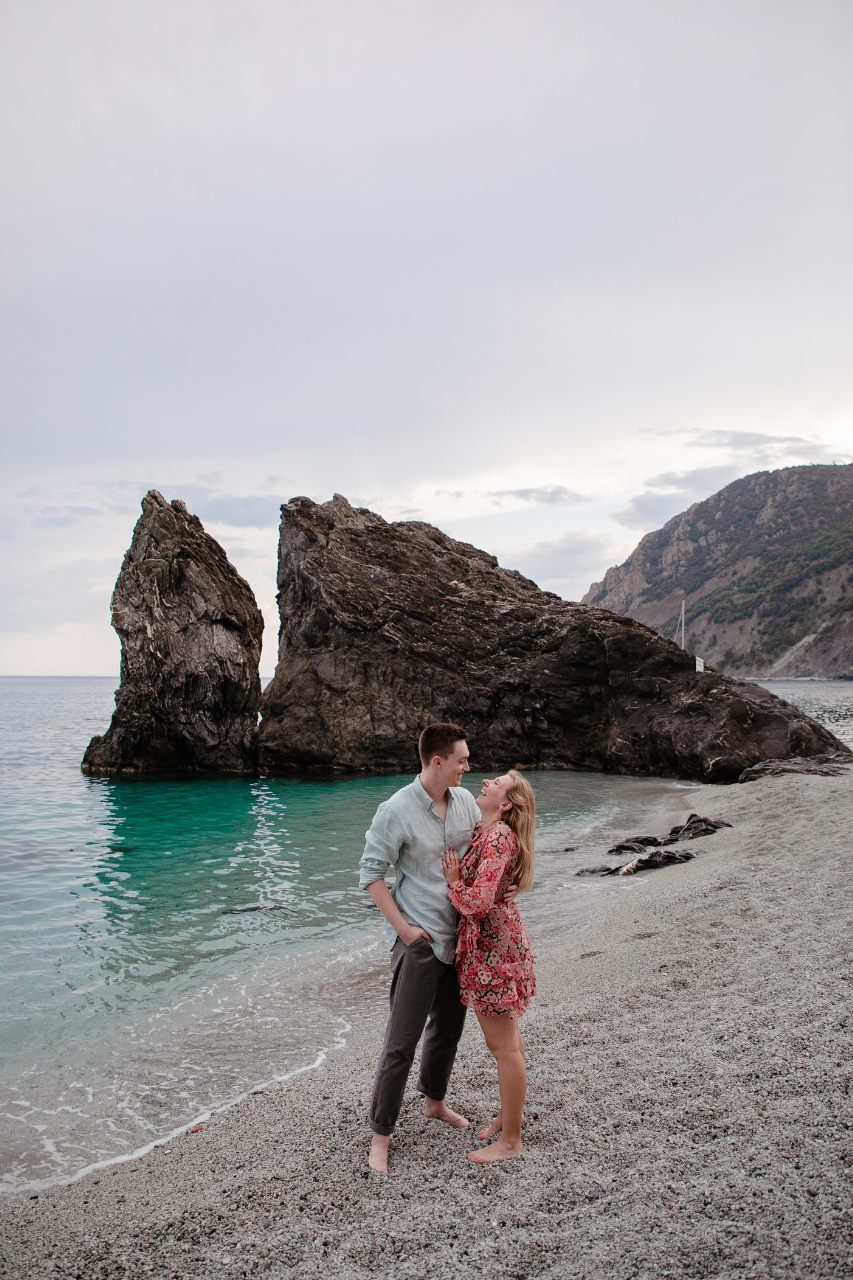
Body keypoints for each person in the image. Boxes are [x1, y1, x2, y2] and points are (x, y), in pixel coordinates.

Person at [359, 723, 519, 1174]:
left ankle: (434, 1102)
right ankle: (381, 1134)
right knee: (401, 1042)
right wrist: (406, 932)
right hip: (421, 941)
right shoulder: (395, 811)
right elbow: (370, 875)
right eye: (462, 760)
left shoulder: (467, 802)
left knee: (446, 1031)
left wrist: (508, 888)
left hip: (463, 940)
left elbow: (489, 854)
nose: (469, 767)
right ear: (437, 762)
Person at [441, 770, 536, 1164]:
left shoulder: (497, 836)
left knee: (503, 1047)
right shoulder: (491, 830)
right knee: (509, 1042)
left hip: (494, 953)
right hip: (498, 946)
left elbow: (478, 902)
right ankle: (510, 1115)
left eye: (497, 782)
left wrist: (453, 881)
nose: (486, 782)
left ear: (507, 803)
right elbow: (496, 885)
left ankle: (511, 1140)